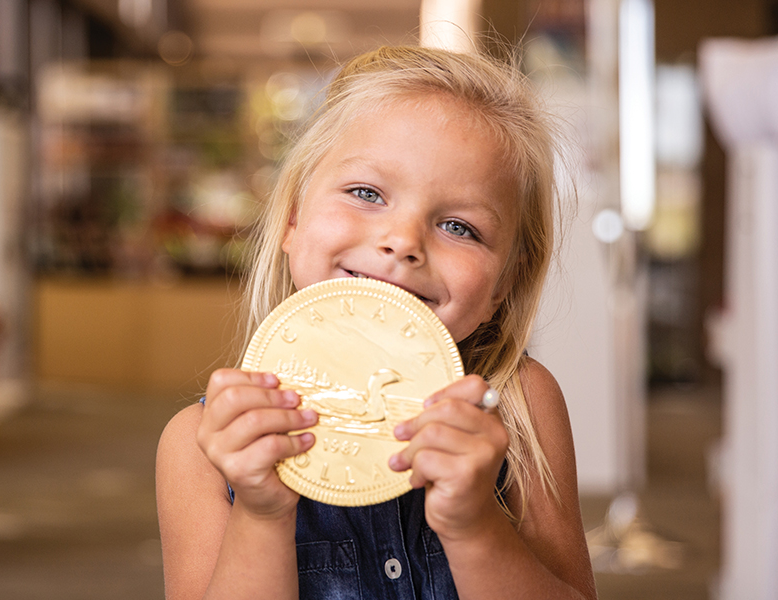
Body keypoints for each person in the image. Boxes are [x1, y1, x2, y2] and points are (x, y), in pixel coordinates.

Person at [156, 45, 597, 600]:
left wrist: (474, 526)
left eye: (459, 226)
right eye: (366, 193)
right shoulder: (200, 448)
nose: (403, 242)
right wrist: (262, 512)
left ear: (505, 283)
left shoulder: (518, 406)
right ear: (292, 217)